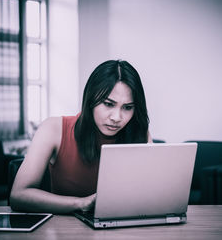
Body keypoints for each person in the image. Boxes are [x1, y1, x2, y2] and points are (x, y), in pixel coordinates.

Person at [10, 60, 152, 214]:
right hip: (65, 230)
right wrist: (80, 203)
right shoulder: (53, 129)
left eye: (128, 107)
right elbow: (19, 196)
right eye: (108, 104)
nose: (117, 117)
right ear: (91, 100)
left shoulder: (139, 134)